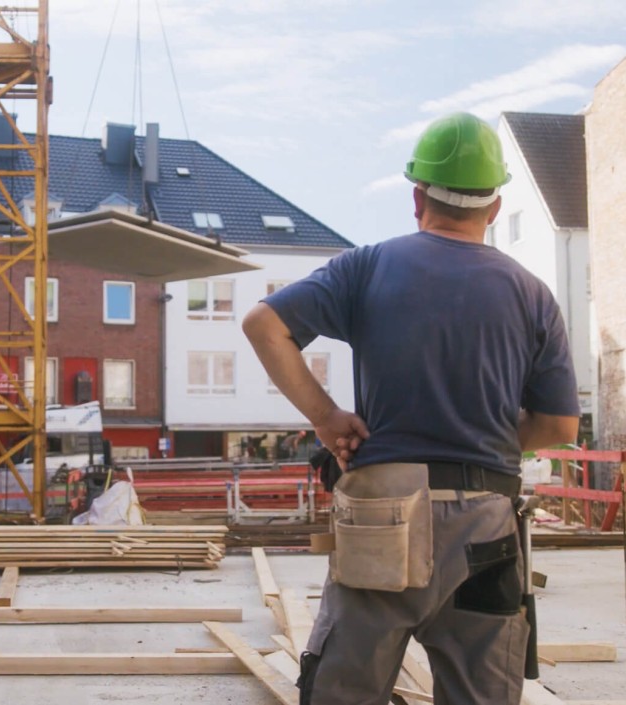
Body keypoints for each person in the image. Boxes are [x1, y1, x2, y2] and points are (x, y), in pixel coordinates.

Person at [243, 112, 580, 705]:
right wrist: (485, 436)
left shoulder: (367, 266)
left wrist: (326, 417)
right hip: (485, 528)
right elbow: (558, 425)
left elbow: (263, 324)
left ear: (418, 197)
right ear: (495, 208)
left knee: (343, 692)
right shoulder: (532, 294)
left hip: (383, 518)